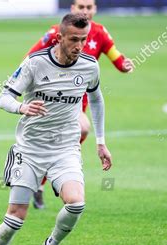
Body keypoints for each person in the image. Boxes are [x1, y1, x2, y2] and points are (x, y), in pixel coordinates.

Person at [0, 13, 112, 245]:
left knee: (76, 203)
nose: (80, 45)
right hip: (29, 150)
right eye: (74, 39)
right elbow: (3, 97)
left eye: (84, 40)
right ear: (59, 37)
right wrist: (21, 108)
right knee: (15, 219)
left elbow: (97, 100)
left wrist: (100, 142)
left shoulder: (89, 66)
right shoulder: (35, 63)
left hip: (65, 149)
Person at [28, 0, 133, 209]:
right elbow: (31, 57)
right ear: (72, 9)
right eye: (80, 7)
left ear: (95, 9)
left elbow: (116, 57)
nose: (85, 11)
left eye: (89, 7)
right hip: (50, 101)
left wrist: (124, 65)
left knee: (79, 130)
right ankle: (45, 178)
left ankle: (44, 182)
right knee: (73, 132)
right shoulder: (57, 32)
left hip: (76, 105)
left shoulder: (100, 33)